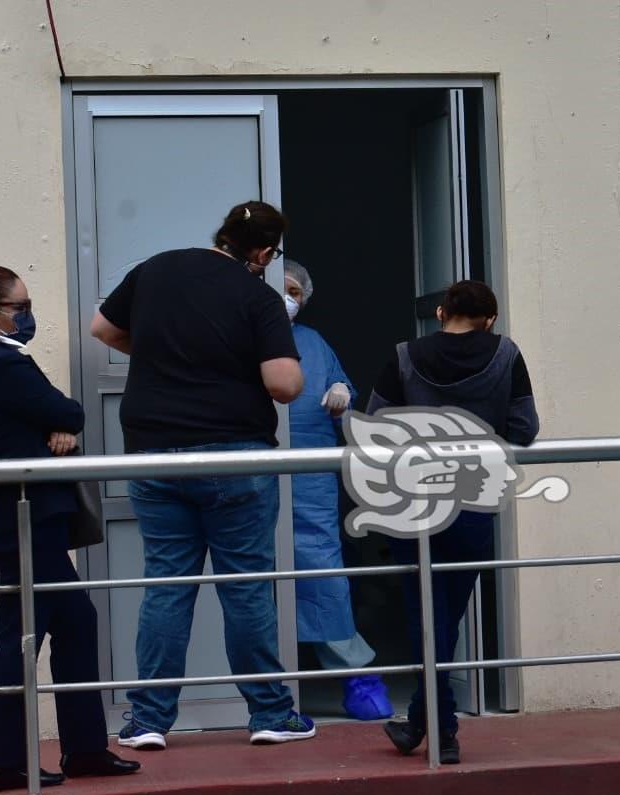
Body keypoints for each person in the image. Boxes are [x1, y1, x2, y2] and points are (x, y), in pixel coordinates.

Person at [89, 201, 316, 749]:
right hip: (234, 458)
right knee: (245, 590)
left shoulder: (157, 268)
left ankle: (147, 721)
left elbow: (101, 327)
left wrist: (165, 354)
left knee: (166, 586)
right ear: (262, 253)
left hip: (154, 455)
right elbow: (284, 384)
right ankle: (269, 714)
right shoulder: (257, 297)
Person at [0, 265, 140, 792]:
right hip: (20, 518)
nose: (28, 317)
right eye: (20, 309)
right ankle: (6, 762)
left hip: (18, 517)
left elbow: (51, 418)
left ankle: (84, 749)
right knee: (21, 636)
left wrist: (56, 427)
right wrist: (60, 425)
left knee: (75, 620)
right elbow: (69, 410)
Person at [366, 279, 538, 764]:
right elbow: (526, 429)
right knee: (447, 616)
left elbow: (375, 424)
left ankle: (433, 726)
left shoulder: (404, 354)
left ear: (442, 312)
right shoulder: (506, 354)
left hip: (412, 504)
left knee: (430, 616)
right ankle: (434, 725)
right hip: (472, 502)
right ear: (490, 318)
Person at [282, 260, 393, 720]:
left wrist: (341, 397)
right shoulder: (234, 337)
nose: (286, 297)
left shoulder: (312, 343)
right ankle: (264, 692)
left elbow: (348, 417)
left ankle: (358, 676)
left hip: (309, 478)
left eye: (293, 291)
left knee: (323, 575)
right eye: (278, 287)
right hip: (246, 476)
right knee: (248, 584)